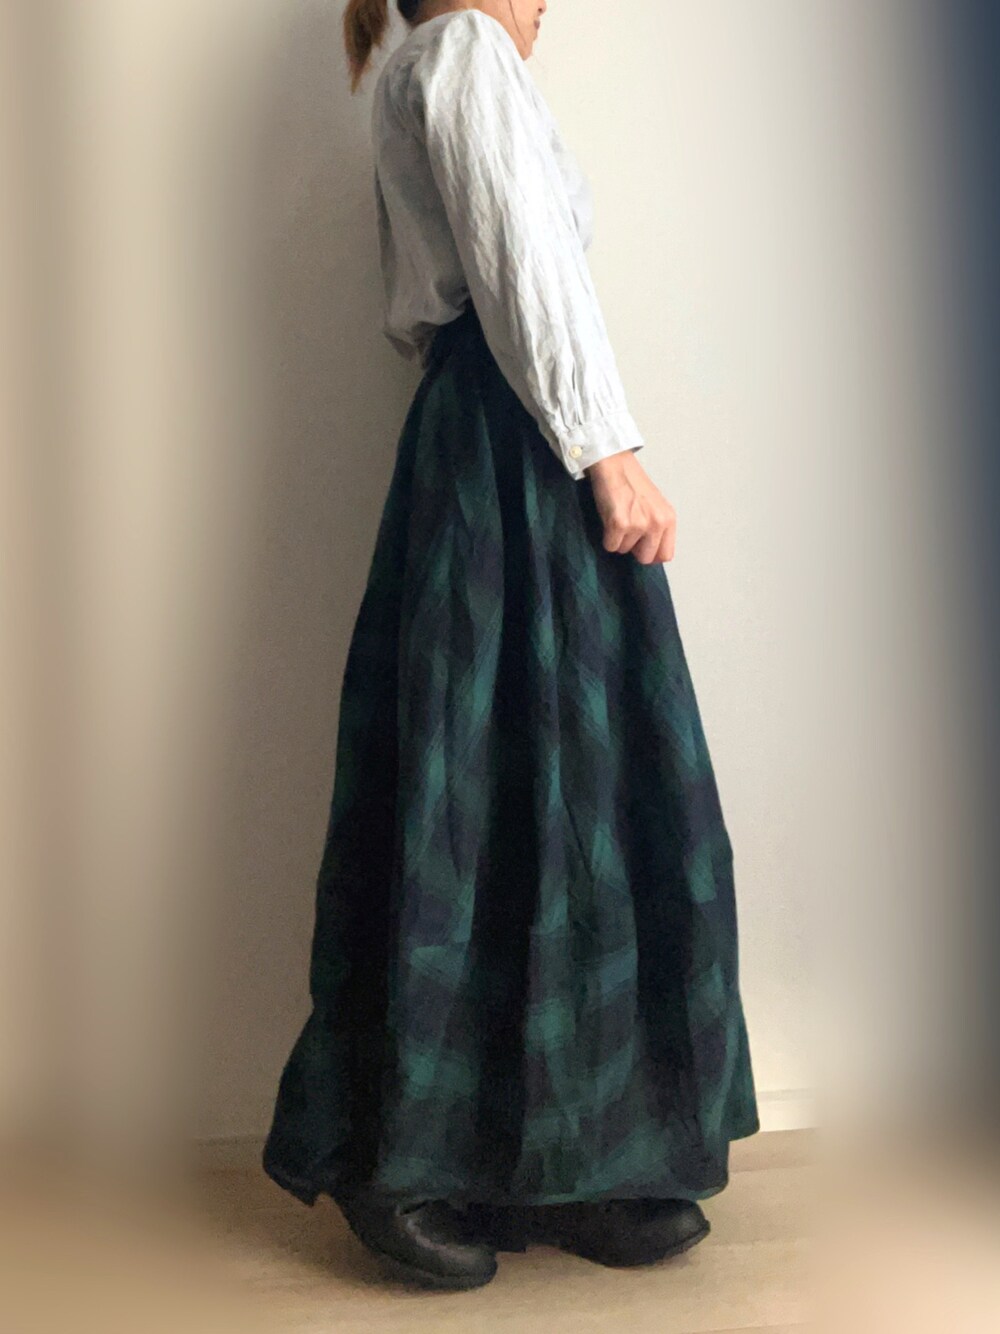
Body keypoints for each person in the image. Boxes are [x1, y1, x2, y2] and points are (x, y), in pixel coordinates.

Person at [261, 0, 759, 1291]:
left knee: (541, 792)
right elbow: (523, 260)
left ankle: (566, 1156)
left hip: (498, 434)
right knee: (499, 793)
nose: (550, 4)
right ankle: (410, 1164)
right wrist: (609, 449)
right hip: (517, 443)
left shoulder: (433, 64)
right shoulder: (464, 52)